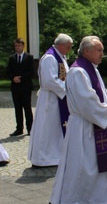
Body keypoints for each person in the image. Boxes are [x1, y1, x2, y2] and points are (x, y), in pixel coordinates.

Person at [49, 36, 107, 204]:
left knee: (99, 167)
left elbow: (103, 92)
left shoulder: (91, 69)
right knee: (83, 167)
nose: (102, 54)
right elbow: (86, 101)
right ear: (86, 51)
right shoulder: (79, 72)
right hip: (84, 128)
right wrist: (105, 111)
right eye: (99, 50)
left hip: (95, 125)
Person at [28, 34, 73, 168]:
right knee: (47, 128)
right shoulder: (49, 58)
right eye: (68, 47)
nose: (69, 50)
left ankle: (56, 155)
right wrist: (68, 89)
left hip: (59, 98)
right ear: (61, 45)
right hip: (51, 100)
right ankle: (43, 158)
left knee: (56, 129)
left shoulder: (61, 57)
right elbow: (49, 80)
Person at [7, 38, 34, 136]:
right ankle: (19, 128)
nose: (17, 47)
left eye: (19, 45)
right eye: (16, 46)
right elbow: (8, 71)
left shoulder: (29, 57)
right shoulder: (12, 58)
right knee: (17, 108)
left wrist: (21, 78)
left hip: (25, 86)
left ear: (23, 46)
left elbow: (31, 71)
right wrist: (13, 78)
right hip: (15, 87)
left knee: (27, 108)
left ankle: (30, 128)